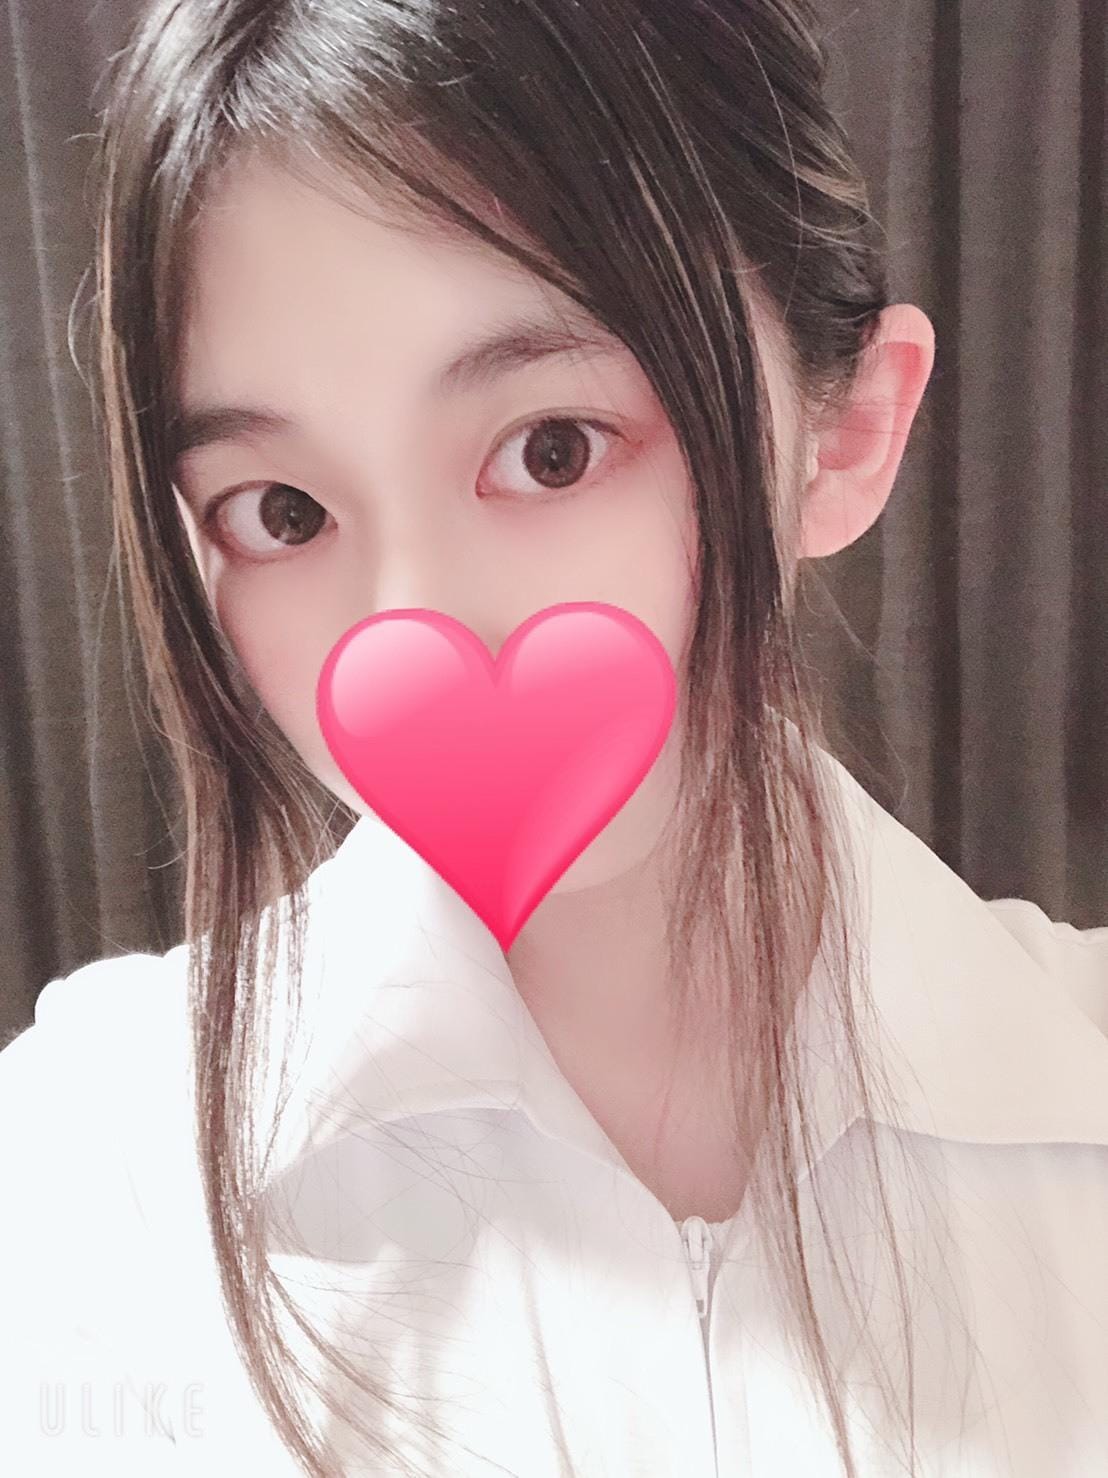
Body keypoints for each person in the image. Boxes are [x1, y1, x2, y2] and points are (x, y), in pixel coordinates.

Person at [2, 0, 1106, 1474]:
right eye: (284, 512)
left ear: (844, 431)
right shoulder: (89, 1164)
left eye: (553, 449)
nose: (413, 633)